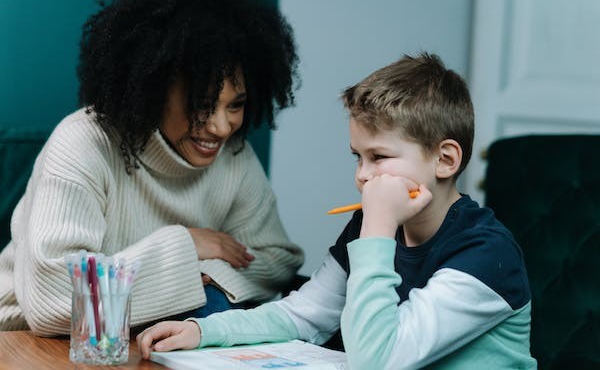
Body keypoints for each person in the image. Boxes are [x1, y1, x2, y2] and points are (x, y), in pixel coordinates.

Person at [136, 53, 537, 369]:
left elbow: (377, 361)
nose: (363, 176)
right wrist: (203, 331)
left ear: (445, 160)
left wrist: (378, 228)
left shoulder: (486, 254)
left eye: (379, 157)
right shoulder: (371, 226)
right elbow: (304, 314)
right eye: (357, 157)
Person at [0, 0, 304, 335]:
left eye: (235, 105)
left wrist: (206, 277)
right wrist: (186, 245)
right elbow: (57, 303)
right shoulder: (83, 143)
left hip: (150, 343)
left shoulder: (233, 157)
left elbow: (276, 261)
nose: (221, 128)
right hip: (26, 343)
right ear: (152, 90)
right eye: (202, 105)